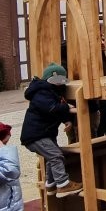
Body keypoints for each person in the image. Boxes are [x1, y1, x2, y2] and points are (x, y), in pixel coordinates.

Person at [21, 62, 82, 197]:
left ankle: (51, 184)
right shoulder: (41, 92)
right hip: (36, 135)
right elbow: (51, 108)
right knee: (56, 155)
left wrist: (66, 119)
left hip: (43, 134)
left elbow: (55, 110)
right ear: (51, 79)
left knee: (51, 157)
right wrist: (68, 108)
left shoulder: (52, 92)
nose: (62, 83)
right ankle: (63, 184)